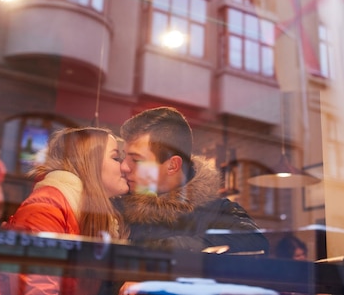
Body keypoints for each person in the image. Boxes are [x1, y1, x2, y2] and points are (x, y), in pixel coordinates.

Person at [0, 127, 131, 295]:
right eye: (116, 158)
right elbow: (37, 290)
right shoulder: (48, 205)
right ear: (89, 162)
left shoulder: (95, 215)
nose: (124, 167)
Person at [114, 106, 270, 255]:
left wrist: (162, 248)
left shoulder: (217, 211)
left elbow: (256, 244)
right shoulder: (116, 208)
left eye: (137, 160)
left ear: (172, 165)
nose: (124, 167)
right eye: (123, 156)